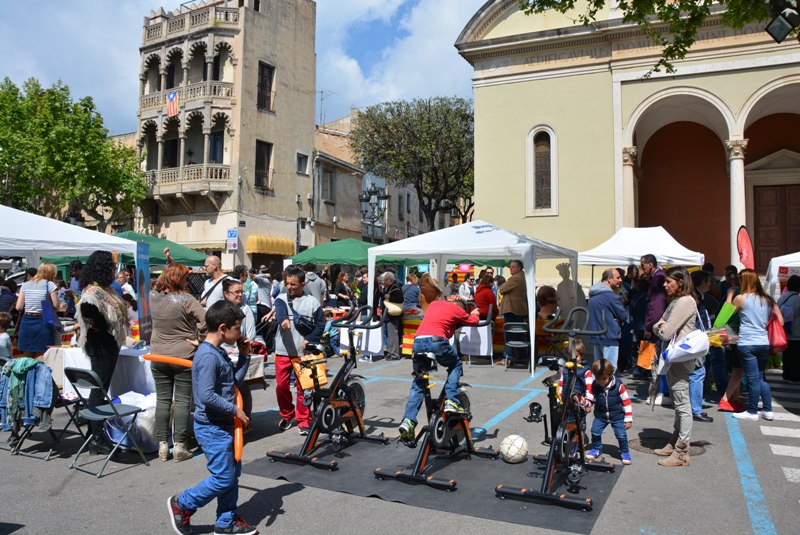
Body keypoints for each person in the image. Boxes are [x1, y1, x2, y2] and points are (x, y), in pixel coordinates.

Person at [167, 300, 257, 535]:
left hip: (224, 424)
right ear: (224, 328)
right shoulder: (208, 357)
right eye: (238, 328)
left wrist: (244, 357)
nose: (240, 333)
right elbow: (206, 396)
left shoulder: (217, 352)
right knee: (224, 477)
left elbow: (231, 385)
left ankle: (226, 522)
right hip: (212, 427)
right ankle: (183, 503)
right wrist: (234, 409)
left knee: (231, 474)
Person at [398, 273, 480, 439]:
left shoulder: (435, 305)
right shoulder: (456, 308)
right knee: (455, 364)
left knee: (419, 382)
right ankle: (451, 400)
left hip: (418, 342)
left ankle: (408, 421)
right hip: (436, 341)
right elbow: (473, 321)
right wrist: (476, 312)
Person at [149, 263, 206, 462]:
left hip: (158, 354)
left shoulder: (153, 296)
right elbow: (205, 321)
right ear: (178, 278)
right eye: (184, 277)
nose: (187, 280)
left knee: (163, 400)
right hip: (183, 355)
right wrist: (199, 340)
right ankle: (180, 445)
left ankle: (162, 445)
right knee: (182, 400)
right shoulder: (187, 299)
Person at [75, 251, 130, 453]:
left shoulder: (104, 289)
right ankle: (96, 436)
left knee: (100, 387)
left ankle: (95, 433)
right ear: (104, 267)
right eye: (112, 266)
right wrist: (104, 325)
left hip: (106, 342)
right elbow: (88, 310)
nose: (115, 269)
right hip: (101, 344)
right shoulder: (93, 293)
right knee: (99, 388)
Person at [652, 266, 697, 467]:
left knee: (682, 404)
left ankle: (681, 452)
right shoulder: (677, 302)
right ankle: (674, 442)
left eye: (669, 281)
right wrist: (660, 326)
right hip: (673, 359)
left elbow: (665, 331)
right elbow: (657, 325)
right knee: (679, 405)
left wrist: (660, 327)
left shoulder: (686, 302)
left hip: (680, 360)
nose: (664, 284)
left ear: (680, 282)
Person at [273, 265, 324, 434]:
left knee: (304, 388)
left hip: (303, 353)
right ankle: (287, 414)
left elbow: (321, 324)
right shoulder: (281, 298)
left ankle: (303, 419)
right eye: (287, 283)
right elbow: (280, 311)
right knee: (281, 386)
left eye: (293, 284)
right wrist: (283, 321)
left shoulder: (313, 302)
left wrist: (310, 339)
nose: (289, 287)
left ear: (303, 284)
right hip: (282, 351)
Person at [730, 269, 783, 421]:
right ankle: (767, 409)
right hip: (764, 342)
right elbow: (781, 321)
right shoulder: (768, 299)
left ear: (744, 281)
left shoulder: (740, 298)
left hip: (747, 342)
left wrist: (729, 295)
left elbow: (725, 316)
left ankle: (752, 411)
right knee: (761, 377)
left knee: (753, 377)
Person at [584, 358, 633, 465]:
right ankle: (597, 449)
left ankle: (625, 452)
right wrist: (586, 404)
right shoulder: (595, 385)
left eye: (604, 379)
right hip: (601, 415)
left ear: (610, 375)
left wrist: (628, 419)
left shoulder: (618, 386)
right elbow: (590, 398)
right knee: (595, 431)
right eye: (598, 378)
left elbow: (626, 402)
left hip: (617, 415)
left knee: (621, 435)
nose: (601, 382)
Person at [222, 278, 256, 420]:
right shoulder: (220, 309)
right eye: (236, 292)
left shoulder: (246, 309)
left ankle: (245, 419)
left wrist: (241, 347)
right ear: (226, 294)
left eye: (242, 292)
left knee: (241, 387)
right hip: (224, 354)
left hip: (239, 354)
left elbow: (250, 335)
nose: (240, 295)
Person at [641, 254, 670, 406]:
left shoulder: (658, 278)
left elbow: (655, 305)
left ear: (650, 265)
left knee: (656, 360)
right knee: (660, 360)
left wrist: (649, 327)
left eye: (643, 266)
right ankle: (661, 392)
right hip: (661, 324)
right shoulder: (658, 277)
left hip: (658, 326)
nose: (642, 269)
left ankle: (658, 393)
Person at [587, 268, 629, 369]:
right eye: (618, 277)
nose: (620, 280)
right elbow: (624, 316)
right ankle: (605, 385)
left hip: (596, 336)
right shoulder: (610, 296)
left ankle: (597, 385)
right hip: (609, 336)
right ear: (609, 279)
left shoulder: (593, 294)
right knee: (609, 370)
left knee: (598, 369)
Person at [15, 262, 59, 358]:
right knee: (41, 356)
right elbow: (56, 305)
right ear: (50, 274)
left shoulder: (25, 285)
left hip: (26, 321)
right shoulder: (49, 284)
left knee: (27, 358)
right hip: (42, 322)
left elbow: (18, 307)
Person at [498, 260, 528, 367]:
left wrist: (503, 286)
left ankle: (508, 357)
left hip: (512, 309)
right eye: (510, 267)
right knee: (519, 334)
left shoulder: (515, 278)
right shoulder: (523, 277)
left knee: (509, 333)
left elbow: (502, 290)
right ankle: (522, 356)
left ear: (519, 268)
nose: (510, 269)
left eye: (513, 267)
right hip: (518, 309)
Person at [777, 275, 800, 383]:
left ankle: (786, 374)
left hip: (783, 332)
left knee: (787, 354)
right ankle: (794, 376)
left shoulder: (782, 297)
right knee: (796, 355)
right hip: (796, 332)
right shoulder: (798, 299)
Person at [378, 271, 404, 361]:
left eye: (384, 280)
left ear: (389, 280)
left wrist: (388, 296)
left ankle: (394, 354)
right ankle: (392, 352)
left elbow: (400, 299)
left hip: (393, 315)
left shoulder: (395, 287)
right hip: (389, 314)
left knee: (393, 334)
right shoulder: (390, 287)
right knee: (391, 335)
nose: (383, 282)